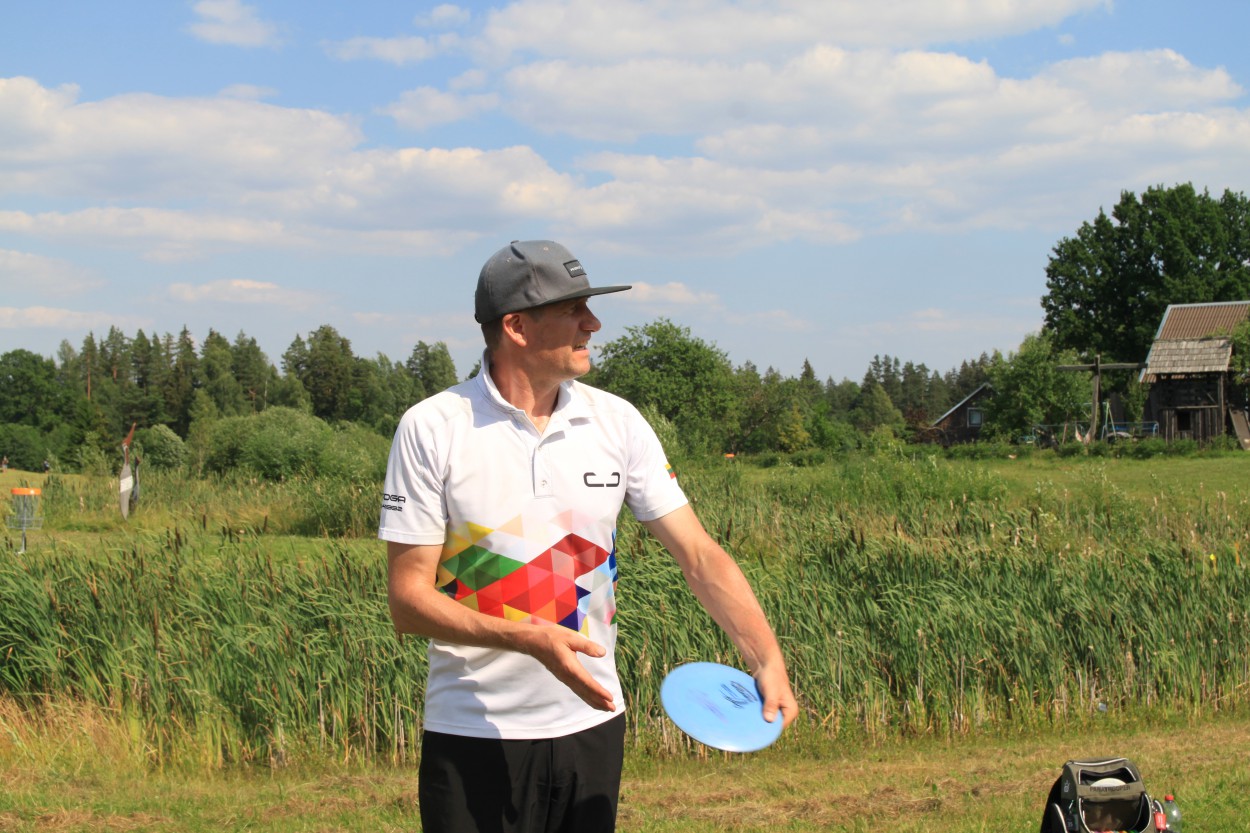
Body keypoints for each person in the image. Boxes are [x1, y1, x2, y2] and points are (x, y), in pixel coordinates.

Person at [379, 240, 797, 833]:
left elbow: (700, 556)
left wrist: (767, 658)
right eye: (573, 309)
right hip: (472, 735)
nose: (593, 324)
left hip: (594, 727)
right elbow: (407, 602)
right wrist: (529, 639)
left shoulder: (617, 422)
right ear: (517, 326)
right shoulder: (432, 427)